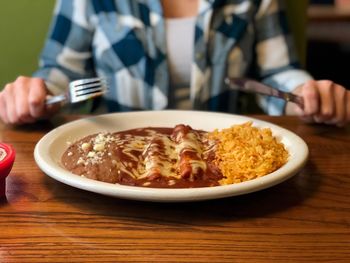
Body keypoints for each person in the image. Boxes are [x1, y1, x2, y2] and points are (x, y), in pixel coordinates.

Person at [0, 0, 349, 126]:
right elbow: (62, 72)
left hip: (221, 170)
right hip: (112, 163)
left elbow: (277, 72)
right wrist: (38, 94)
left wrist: (306, 93)